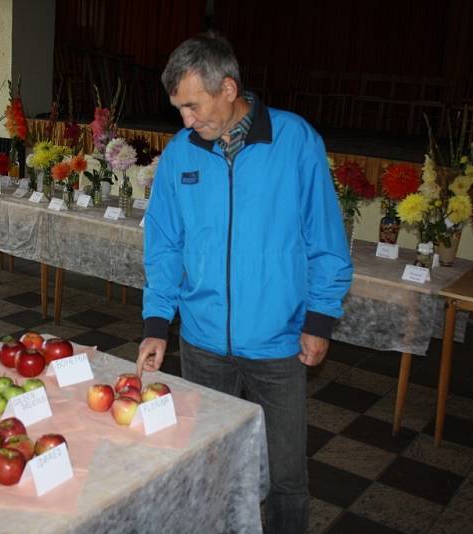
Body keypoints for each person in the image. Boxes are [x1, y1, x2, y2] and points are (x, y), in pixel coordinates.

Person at [136, 31, 353, 533]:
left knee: (286, 476)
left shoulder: (294, 141)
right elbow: (164, 246)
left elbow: (325, 239)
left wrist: (319, 319)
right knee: (207, 466)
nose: (186, 120)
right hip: (203, 345)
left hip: (278, 344)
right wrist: (155, 323)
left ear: (228, 88)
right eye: (179, 109)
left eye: (192, 106)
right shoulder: (180, 154)